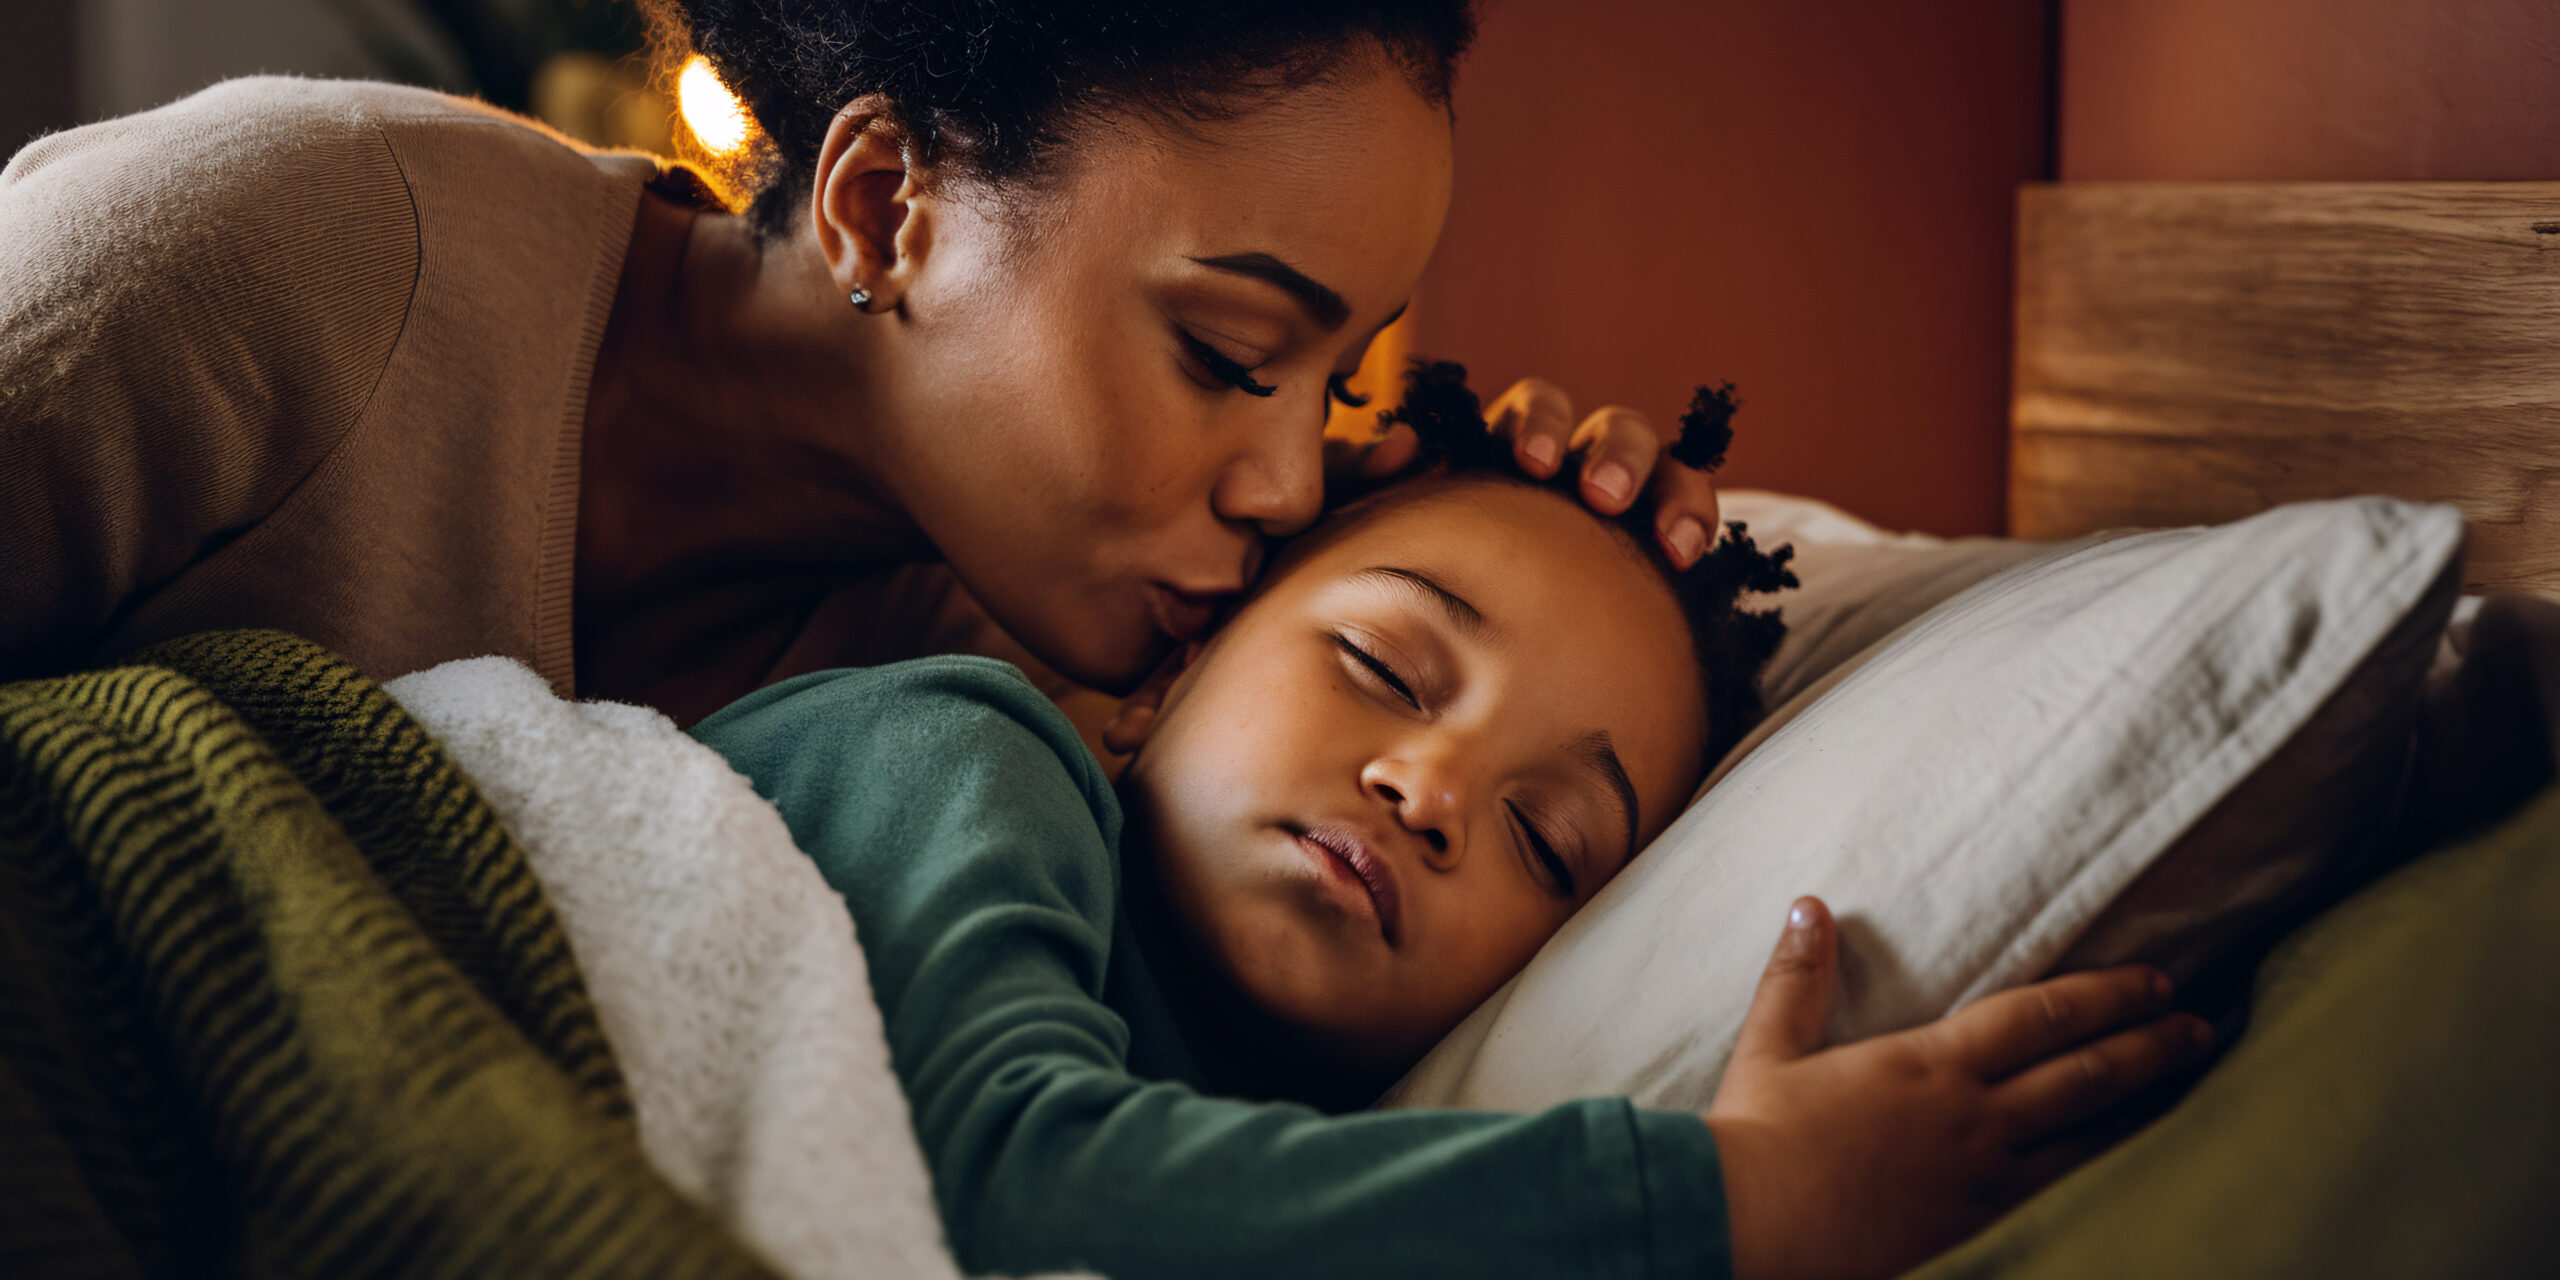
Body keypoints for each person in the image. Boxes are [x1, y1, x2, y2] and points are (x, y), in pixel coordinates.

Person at [691, 370, 2214, 1280]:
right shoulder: (958, 747)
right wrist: (1730, 1203)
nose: (1430, 792)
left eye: (1547, 843)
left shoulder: (1334, 1167)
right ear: (1168, 672)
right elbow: (1003, 1179)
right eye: (1380, 666)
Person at [0, 0, 1720, 728]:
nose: (1279, 483)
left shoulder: (1017, 666)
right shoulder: (293, 246)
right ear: (888, 202)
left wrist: (1525, 551)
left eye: (1329, 385)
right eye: (1224, 353)